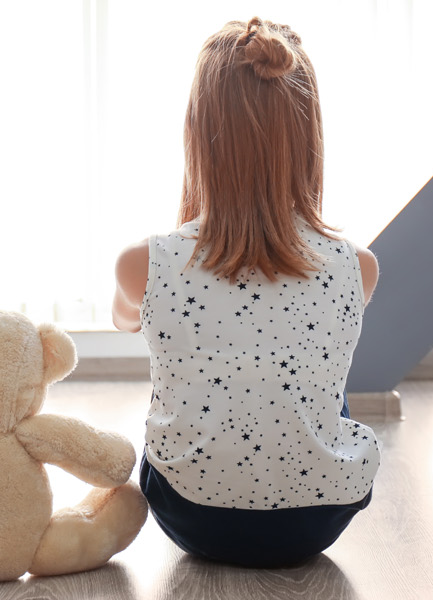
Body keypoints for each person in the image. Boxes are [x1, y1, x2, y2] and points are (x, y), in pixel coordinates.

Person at [108, 17, 382, 569]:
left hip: (192, 512)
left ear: (197, 134)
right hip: (318, 518)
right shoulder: (358, 267)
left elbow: (125, 321)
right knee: (308, 379)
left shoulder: (145, 262)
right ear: (309, 137)